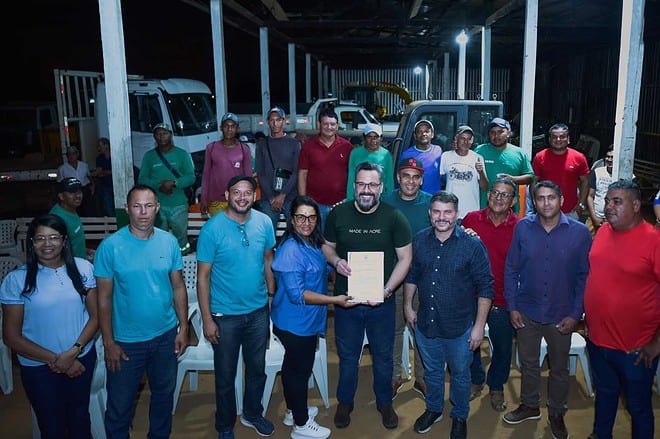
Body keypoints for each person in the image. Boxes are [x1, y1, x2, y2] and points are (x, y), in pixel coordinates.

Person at [94, 184, 189, 439]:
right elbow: (103, 299)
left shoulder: (169, 242)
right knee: (120, 406)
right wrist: (109, 342)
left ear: (157, 208)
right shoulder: (110, 247)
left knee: (163, 397)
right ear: (127, 209)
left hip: (165, 337)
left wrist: (183, 327)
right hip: (126, 343)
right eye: (137, 206)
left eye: (148, 206)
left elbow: (178, 287)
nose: (143, 212)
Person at [323, 162, 412, 431]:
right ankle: (345, 402)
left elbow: (405, 258)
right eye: (361, 184)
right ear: (354, 186)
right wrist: (336, 261)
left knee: (383, 356)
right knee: (348, 356)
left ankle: (385, 402)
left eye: (372, 185)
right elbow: (327, 247)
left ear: (381, 187)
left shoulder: (394, 217)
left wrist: (387, 290)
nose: (366, 190)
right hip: (346, 301)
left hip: (381, 303)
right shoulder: (338, 214)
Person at [503, 180, 592, 439]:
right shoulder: (523, 227)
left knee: (560, 369)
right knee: (529, 363)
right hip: (527, 311)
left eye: (551, 197)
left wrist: (575, 314)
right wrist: (512, 306)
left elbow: (584, 277)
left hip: (561, 314)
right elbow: (511, 268)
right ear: (534, 201)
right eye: (540, 198)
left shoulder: (579, 233)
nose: (546, 203)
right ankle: (530, 405)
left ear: (561, 200)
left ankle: (556, 412)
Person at [403, 191, 493, 438]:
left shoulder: (472, 245)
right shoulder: (420, 240)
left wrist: (479, 327)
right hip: (426, 324)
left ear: (456, 214)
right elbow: (412, 274)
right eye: (437, 211)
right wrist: (408, 306)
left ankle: (460, 414)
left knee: (460, 375)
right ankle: (434, 409)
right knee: (432, 372)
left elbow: (486, 286)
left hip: (460, 328)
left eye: (447, 212)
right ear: (429, 213)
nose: (442, 217)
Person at [0, 214, 98, 438]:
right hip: (39, 367)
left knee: (80, 419)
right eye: (40, 238)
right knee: (52, 426)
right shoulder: (17, 280)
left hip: (81, 359)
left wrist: (73, 353)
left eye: (54, 237)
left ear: (64, 241)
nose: (47, 244)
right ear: (31, 243)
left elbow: (96, 317)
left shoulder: (83, 268)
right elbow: (11, 337)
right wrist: (58, 360)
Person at [196, 175, 277, 439]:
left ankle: (252, 413)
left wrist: (271, 295)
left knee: (257, 370)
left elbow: (268, 259)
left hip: (257, 312)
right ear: (227, 195)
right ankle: (225, 425)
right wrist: (207, 319)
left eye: (247, 193)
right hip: (224, 316)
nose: (242, 197)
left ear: (254, 196)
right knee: (225, 376)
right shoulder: (212, 229)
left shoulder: (264, 222)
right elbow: (203, 277)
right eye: (236, 192)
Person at [270, 196, 355, 439]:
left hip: (305, 320)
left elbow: (319, 268)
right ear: (292, 219)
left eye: (311, 217)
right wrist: (334, 300)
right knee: (299, 372)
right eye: (301, 217)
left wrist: (338, 266)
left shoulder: (310, 242)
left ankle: (292, 411)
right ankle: (301, 425)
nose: (306, 222)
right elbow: (298, 295)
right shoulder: (290, 250)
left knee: (292, 369)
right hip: (295, 323)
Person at [584, 180, 659, 439]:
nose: (608, 206)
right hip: (598, 341)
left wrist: (657, 342)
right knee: (605, 394)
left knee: (638, 407)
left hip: (635, 349)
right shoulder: (604, 231)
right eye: (607, 201)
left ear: (636, 206)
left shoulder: (654, 241)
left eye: (617, 202)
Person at [461, 177, 519, 412]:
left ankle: (496, 385)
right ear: (488, 194)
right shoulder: (471, 219)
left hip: (503, 297)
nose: (498, 198)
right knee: (469, 342)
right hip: (471, 295)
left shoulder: (520, 227)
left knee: (503, 347)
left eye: (505, 195)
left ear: (513, 201)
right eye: (495, 192)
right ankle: (476, 379)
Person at [382, 157, 432, 400]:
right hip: (394, 277)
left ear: (421, 180)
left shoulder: (431, 203)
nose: (410, 181)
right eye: (406, 176)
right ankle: (394, 376)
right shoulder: (385, 202)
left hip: (424, 278)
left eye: (415, 177)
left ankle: (421, 378)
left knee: (422, 329)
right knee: (394, 329)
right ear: (398, 178)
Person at [138, 123, 196, 254]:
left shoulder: (182, 154)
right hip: (156, 205)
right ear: (154, 137)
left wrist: (174, 183)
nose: (161, 136)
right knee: (158, 236)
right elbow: (142, 179)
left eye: (164, 133)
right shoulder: (149, 156)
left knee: (181, 235)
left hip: (179, 204)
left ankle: (183, 256)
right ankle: (162, 258)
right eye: (158, 134)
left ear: (171, 135)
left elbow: (191, 177)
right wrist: (159, 185)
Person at [297, 109, 353, 226]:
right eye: (325, 124)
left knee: (340, 236)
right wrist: (303, 201)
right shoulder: (308, 147)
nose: (329, 127)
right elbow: (302, 174)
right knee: (319, 236)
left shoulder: (347, 147)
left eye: (332, 124)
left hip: (341, 203)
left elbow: (352, 174)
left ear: (337, 125)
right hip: (315, 204)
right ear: (319, 125)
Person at [474, 117, 534, 214]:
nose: (496, 136)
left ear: (509, 133)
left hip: (510, 210)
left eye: (500, 132)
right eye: (492, 132)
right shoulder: (479, 151)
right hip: (483, 208)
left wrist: (513, 179)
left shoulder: (519, 153)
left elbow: (530, 177)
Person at [255, 107, 301, 232]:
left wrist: (282, 195)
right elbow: (261, 173)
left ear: (284, 121)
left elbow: (296, 172)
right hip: (268, 198)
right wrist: (271, 197)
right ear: (268, 122)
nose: (275, 123)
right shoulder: (262, 144)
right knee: (267, 234)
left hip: (290, 196)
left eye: (278, 120)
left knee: (296, 231)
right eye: (272, 120)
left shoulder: (294, 143)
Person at [532, 123, 590, 219]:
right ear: (549, 139)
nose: (558, 140)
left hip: (571, 211)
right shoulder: (540, 157)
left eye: (562, 137)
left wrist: (581, 204)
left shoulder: (579, 157)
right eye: (554, 137)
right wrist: (536, 203)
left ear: (568, 139)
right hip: (545, 209)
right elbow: (533, 181)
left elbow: (585, 181)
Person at [200, 113, 252, 217]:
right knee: (219, 227)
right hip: (216, 200)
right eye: (226, 126)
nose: (229, 129)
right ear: (221, 128)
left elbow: (248, 178)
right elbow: (206, 175)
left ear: (237, 129)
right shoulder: (211, 148)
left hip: (237, 200)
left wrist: (248, 199)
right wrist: (203, 198)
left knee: (236, 227)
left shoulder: (244, 149)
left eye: (232, 126)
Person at [439, 125, 489, 218]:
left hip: (471, 212)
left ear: (472, 141)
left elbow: (485, 187)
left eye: (469, 139)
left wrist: (481, 172)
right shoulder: (446, 156)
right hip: (450, 211)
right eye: (463, 138)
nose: (466, 142)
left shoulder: (478, 158)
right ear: (456, 139)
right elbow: (440, 181)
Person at [345, 123, 394, 199]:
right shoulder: (355, 153)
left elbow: (389, 181)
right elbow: (351, 178)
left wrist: (390, 200)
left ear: (381, 138)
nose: (373, 140)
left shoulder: (386, 155)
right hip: (360, 197)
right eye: (369, 137)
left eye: (376, 137)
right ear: (364, 137)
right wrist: (350, 199)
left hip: (380, 199)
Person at [49, 177, 92, 260]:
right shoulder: (57, 219)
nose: (78, 195)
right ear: (61, 196)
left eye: (79, 191)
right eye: (72, 192)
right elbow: (56, 252)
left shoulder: (70, 209)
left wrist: (84, 250)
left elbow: (72, 241)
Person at [399, 120, 443, 194]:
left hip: (434, 197)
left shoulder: (438, 150)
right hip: (415, 198)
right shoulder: (406, 155)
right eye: (420, 132)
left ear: (432, 134)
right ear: (415, 136)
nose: (423, 134)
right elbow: (401, 179)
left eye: (426, 131)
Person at [57, 145, 95, 216]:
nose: (71, 156)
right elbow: (59, 183)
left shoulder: (84, 165)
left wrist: (93, 186)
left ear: (77, 154)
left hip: (85, 189)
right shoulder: (62, 168)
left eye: (73, 154)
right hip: (72, 192)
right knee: (75, 210)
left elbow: (89, 177)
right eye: (69, 154)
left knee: (89, 209)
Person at [586, 145, 614, 235]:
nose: (609, 160)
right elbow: (590, 196)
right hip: (596, 217)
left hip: (615, 220)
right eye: (608, 157)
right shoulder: (597, 172)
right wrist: (594, 217)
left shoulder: (627, 176)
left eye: (612, 157)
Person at [92, 137, 115, 216]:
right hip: (105, 185)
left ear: (106, 145)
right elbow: (98, 173)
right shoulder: (99, 158)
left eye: (100, 146)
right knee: (108, 206)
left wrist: (104, 172)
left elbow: (117, 170)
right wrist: (110, 172)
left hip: (117, 184)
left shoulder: (115, 155)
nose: (98, 148)